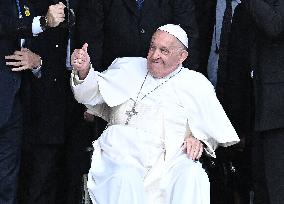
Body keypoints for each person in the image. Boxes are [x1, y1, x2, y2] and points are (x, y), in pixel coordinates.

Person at [71, 24, 239, 204]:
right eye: (152, 47)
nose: (154, 55)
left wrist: (199, 140)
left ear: (182, 56)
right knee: (124, 177)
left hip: (168, 161)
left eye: (164, 50)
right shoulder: (126, 66)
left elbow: (212, 129)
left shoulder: (196, 84)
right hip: (121, 154)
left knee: (193, 175)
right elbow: (88, 94)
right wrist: (84, 70)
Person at [15, 1, 93, 204]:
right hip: (41, 97)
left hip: (81, 96)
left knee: (73, 176)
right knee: (40, 175)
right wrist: (37, 62)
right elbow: (18, 30)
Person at [0, 1, 64, 203]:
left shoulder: (28, 2)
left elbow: (37, 45)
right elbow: (8, 24)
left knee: (7, 182)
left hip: (13, 102)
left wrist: (37, 61)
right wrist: (44, 22)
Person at [241, 1, 284, 203]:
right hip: (259, 100)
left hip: (278, 109)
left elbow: (274, 25)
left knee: (277, 188)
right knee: (262, 186)